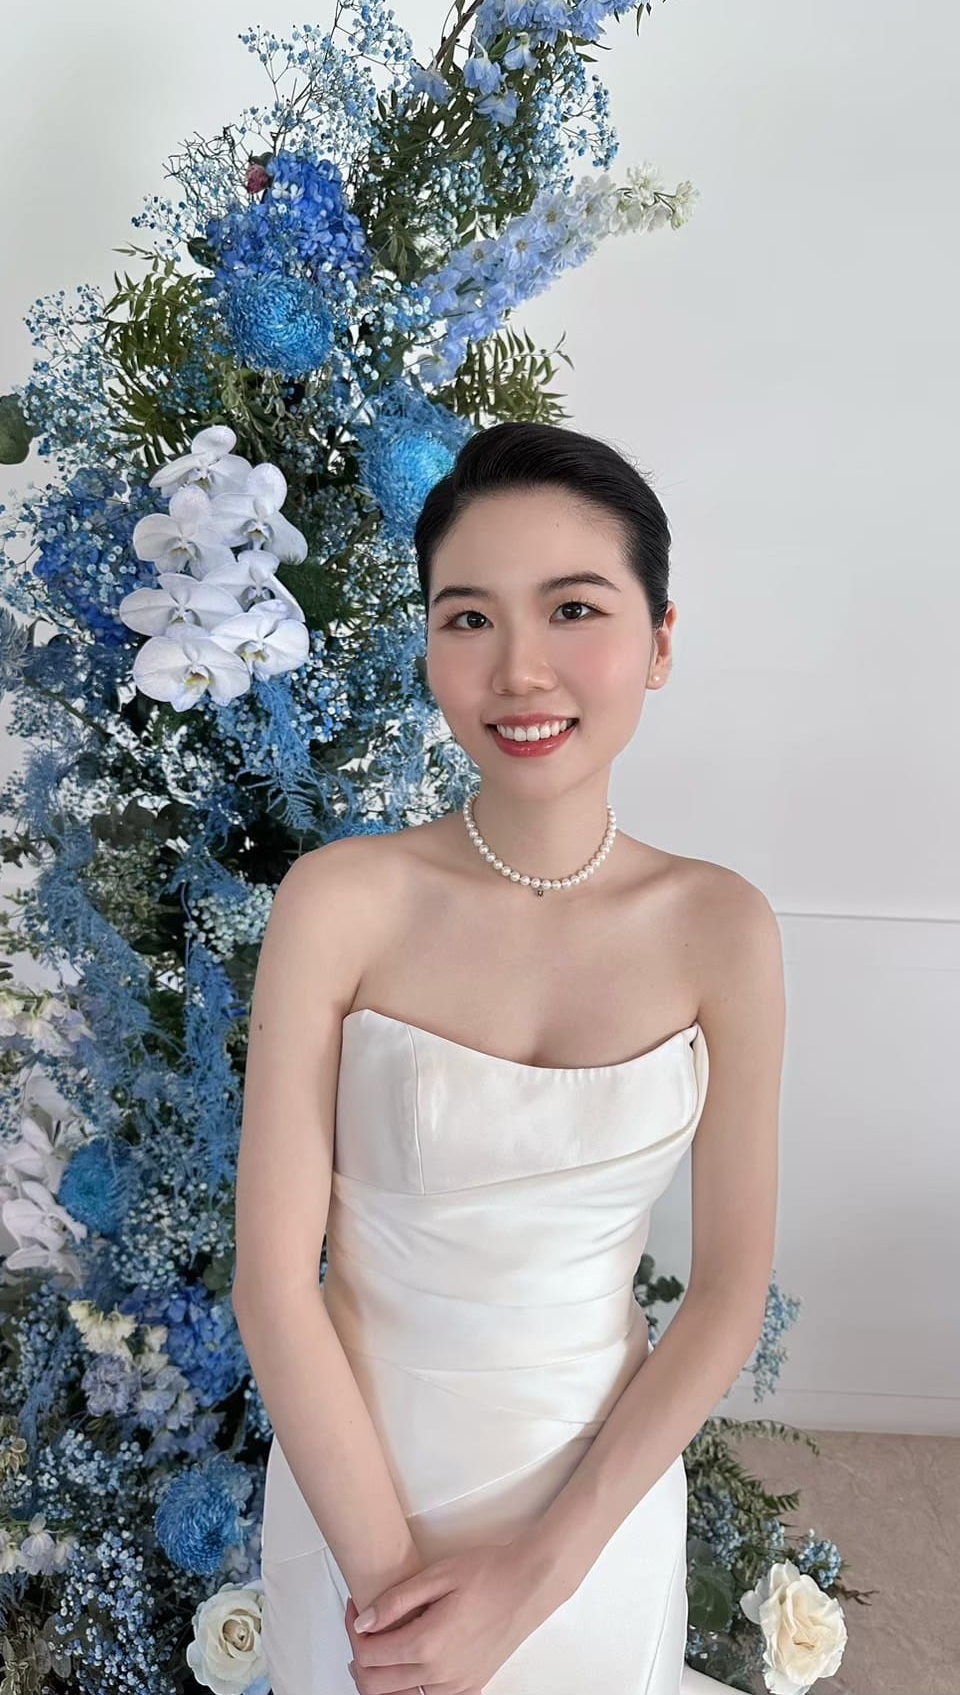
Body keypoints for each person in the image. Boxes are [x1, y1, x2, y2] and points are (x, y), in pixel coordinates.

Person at [233, 420, 785, 1693]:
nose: (520, 669)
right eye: (469, 617)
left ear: (660, 640)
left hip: (593, 1510)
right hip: (358, 1495)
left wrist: (538, 1576)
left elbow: (725, 1292)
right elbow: (273, 1281)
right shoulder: (339, 901)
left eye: (573, 608)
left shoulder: (723, 927)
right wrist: (397, 1601)